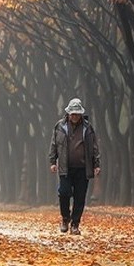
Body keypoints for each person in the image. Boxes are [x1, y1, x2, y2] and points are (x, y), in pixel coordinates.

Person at [48, 97, 100, 235]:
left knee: (80, 197)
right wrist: (53, 162)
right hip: (65, 167)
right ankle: (65, 218)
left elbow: (94, 147)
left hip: (83, 169)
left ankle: (75, 224)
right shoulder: (60, 126)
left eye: (77, 114)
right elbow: (54, 144)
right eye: (73, 113)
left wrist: (96, 164)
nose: (75, 116)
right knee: (63, 193)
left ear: (81, 114)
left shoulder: (88, 128)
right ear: (68, 113)